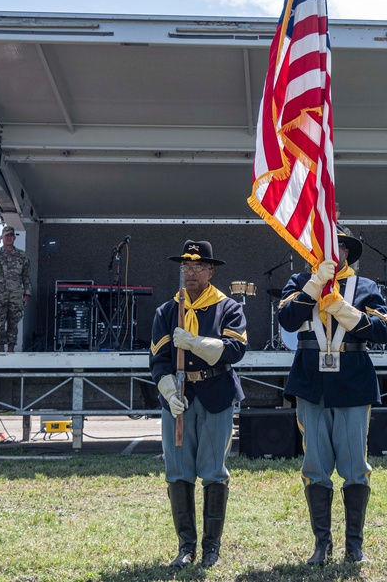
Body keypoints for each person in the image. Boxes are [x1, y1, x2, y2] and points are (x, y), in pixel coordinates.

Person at [278, 228, 387, 565]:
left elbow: (383, 331)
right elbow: (286, 317)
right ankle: (321, 545)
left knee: (356, 467)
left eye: (337, 244)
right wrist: (313, 286)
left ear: (346, 251)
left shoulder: (366, 287)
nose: (331, 250)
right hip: (311, 383)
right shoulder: (299, 281)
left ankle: (353, 546)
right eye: (323, 244)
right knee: (315, 467)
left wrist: (344, 309)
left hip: (353, 383)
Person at [149, 239, 247, 568]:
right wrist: (168, 392)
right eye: (186, 267)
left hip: (216, 394)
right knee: (178, 471)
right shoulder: (167, 311)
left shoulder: (228, 307)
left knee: (214, 472)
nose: (191, 273)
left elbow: (235, 350)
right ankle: (186, 547)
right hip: (179, 398)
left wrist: (194, 343)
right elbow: (158, 360)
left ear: (210, 271)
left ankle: (212, 548)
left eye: (198, 267)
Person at [0, 225, 31, 352]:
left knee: (13, 322)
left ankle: (11, 350)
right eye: (6, 236)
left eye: (11, 236)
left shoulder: (22, 255)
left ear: (14, 237)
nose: (8, 238)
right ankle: (0, 349)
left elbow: (26, 276)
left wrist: (27, 294)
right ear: (2, 237)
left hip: (16, 294)